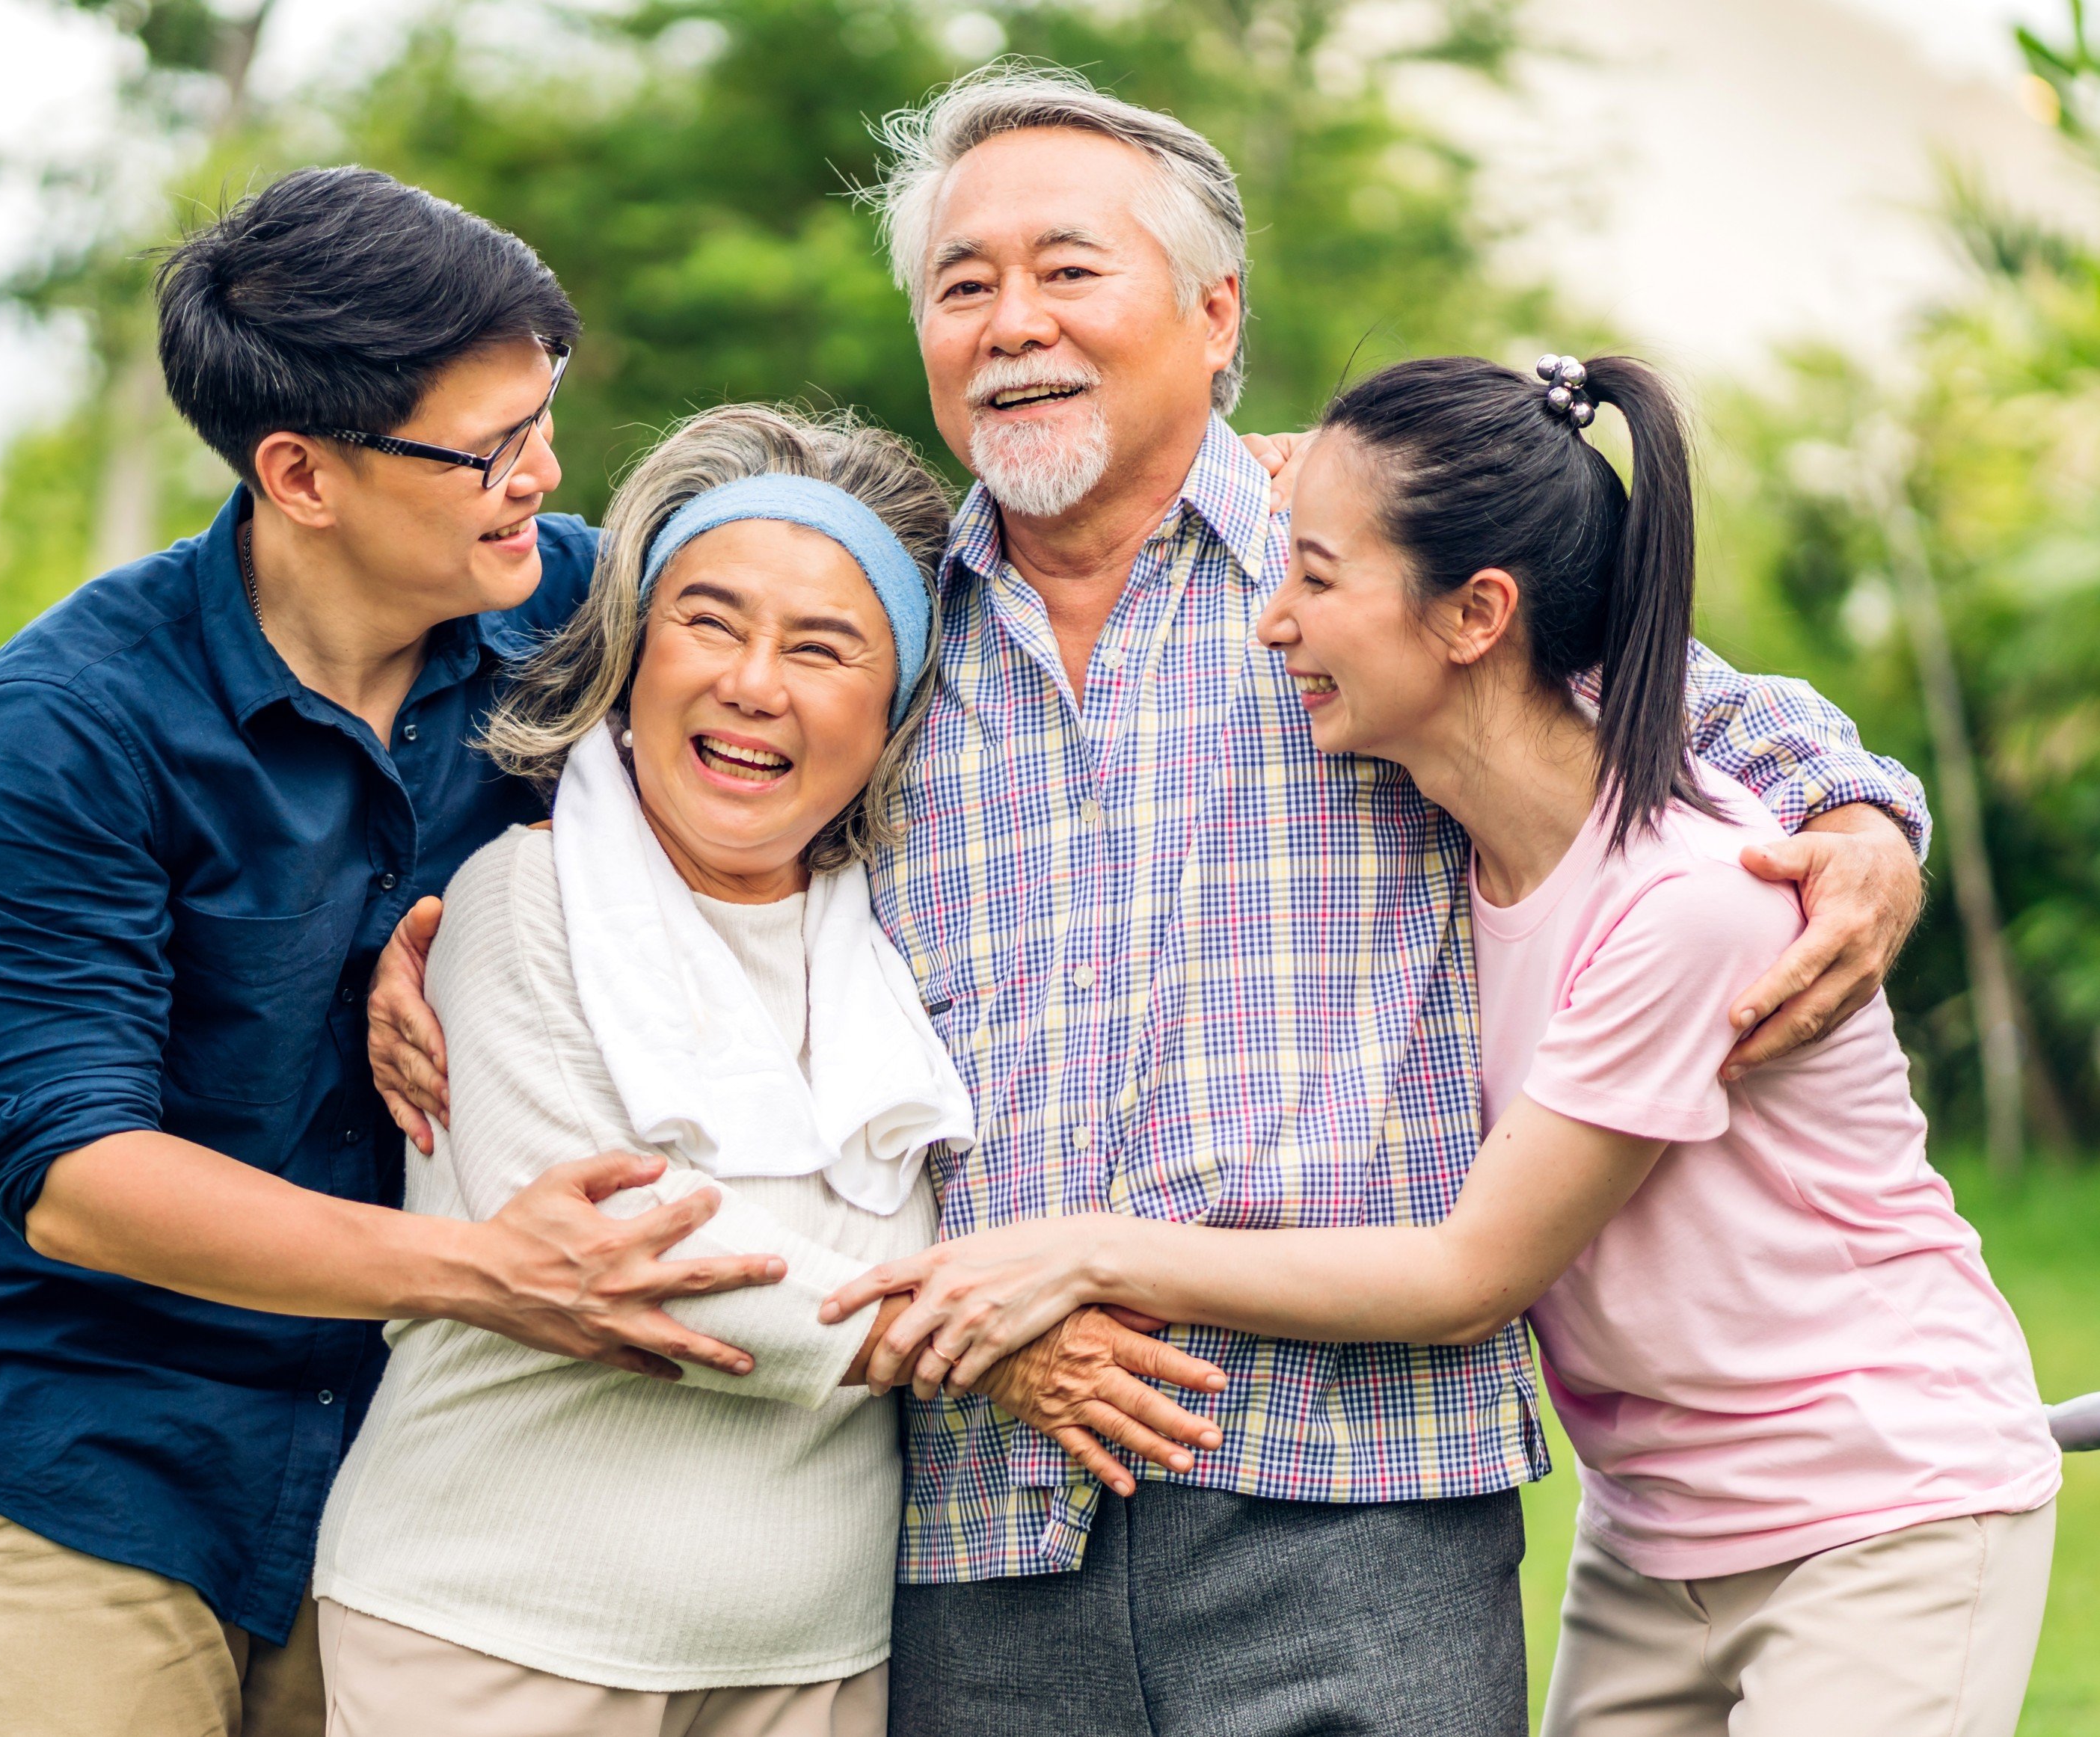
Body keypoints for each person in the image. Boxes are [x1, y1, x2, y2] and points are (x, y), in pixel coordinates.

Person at [371, 66, 1936, 1733]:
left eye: (1067, 269)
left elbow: (1660, 700)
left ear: (1214, 315)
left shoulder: (1351, 569)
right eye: (960, 285)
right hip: (979, 1509)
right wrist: (410, 931)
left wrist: (1859, 813)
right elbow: (653, 793)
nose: (1009, 321)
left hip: (1354, 1493)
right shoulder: (885, 643)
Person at [833, 351, 2066, 1737]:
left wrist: (1085, 1249)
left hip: (1874, 1501)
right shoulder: (1450, 852)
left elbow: (1466, 1273)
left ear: (1477, 615)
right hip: (1655, 1529)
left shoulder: (1696, 904)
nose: (1267, 625)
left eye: (1312, 581)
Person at [0, 167, 803, 1737]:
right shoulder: (60, 728)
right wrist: (494, 1274)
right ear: (300, 474)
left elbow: (859, 604)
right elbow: (80, 1173)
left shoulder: (572, 610)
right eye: (489, 448)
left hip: (404, 1449)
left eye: (545, 417)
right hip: (93, 1433)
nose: (543, 473)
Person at [313, 405, 1228, 1737]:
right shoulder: (524, 898)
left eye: (822, 647)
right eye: (709, 623)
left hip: (814, 1661)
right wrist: (988, 1351)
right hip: (494, 1632)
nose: (754, 683)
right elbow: (624, 1239)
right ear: (632, 651)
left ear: (898, 699)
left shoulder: (911, 926)